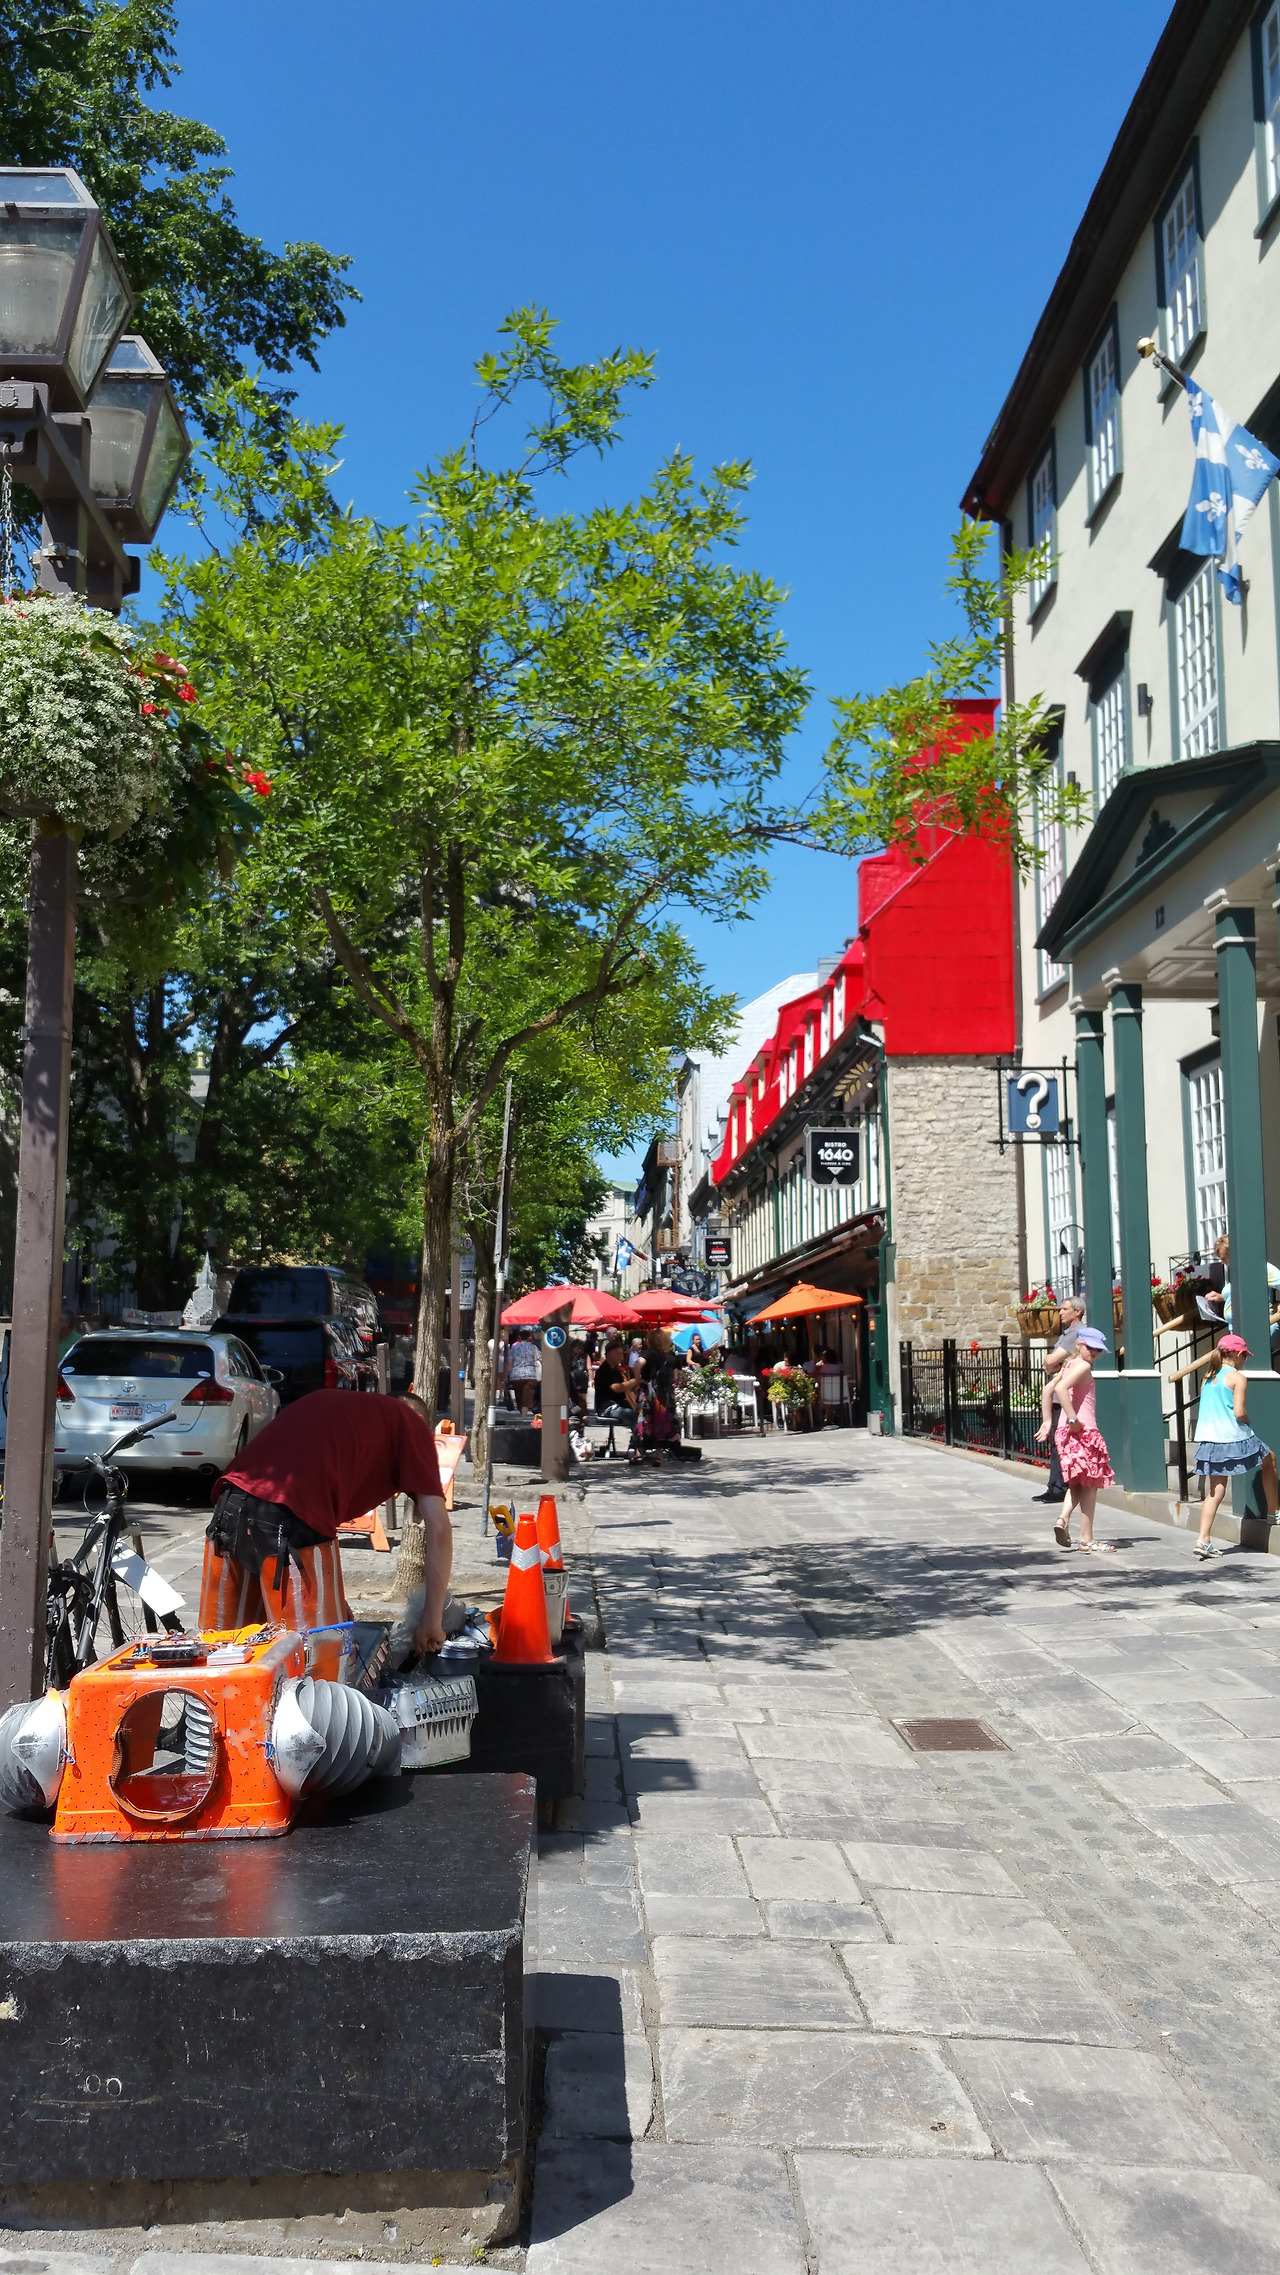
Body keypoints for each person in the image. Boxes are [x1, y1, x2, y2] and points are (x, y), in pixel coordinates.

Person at [199, 1389, 452, 1658]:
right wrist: (432, 1620)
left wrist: (334, 1602)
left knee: (221, 1654)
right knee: (315, 1660)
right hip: (290, 1519)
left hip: (229, 1504)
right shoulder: (411, 1424)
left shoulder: (349, 1413)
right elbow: (439, 1529)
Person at [1191, 1332, 1280, 1559]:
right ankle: (1273, 1512)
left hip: (1210, 1440)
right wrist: (1248, 1420)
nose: (1245, 1360)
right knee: (1269, 1458)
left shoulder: (1208, 1377)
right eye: (1245, 1356)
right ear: (1239, 1354)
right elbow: (1239, 1412)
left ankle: (1203, 1539)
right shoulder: (1238, 1377)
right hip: (1233, 1436)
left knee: (1216, 1490)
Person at [1035, 1324, 1117, 1554]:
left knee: (1078, 1482)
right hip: (1084, 1431)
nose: (1094, 1353)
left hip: (1065, 1432)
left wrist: (1048, 1421)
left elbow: (1047, 1390)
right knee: (1091, 1485)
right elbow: (1061, 1389)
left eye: (1098, 1350)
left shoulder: (1069, 1365)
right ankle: (1086, 1539)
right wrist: (1073, 1419)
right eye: (1090, 1347)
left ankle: (1062, 1519)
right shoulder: (1082, 1366)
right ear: (1079, 1345)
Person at [1032, 1296, 1085, 1506]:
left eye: (1064, 1309)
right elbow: (1049, 1365)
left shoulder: (1077, 1333)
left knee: (1061, 1442)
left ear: (1077, 1311)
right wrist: (1051, 1364)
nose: (1060, 1312)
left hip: (1066, 1397)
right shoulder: (1067, 1333)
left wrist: (1052, 1362)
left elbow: (1051, 1361)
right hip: (1057, 1394)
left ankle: (1060, 1487)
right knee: (1055, 1441)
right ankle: (1053, 1486)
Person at [508, 1330, 540, 1413]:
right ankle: (524, 1414)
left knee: (519, 1395)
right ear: (529, 1337)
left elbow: (510, 1362)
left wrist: (507, 1374)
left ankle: (520, 1411)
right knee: (528, 1397)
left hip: (516, 1375)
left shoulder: (514, 1347)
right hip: (531, 1374)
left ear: (519, 1337)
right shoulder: (533, 1347)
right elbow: (540, 1358)